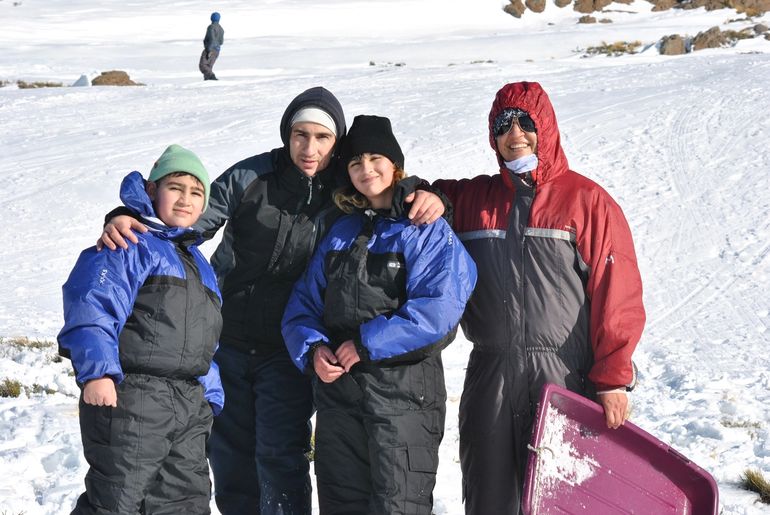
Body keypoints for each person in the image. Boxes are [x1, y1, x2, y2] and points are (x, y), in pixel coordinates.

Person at [97, 88, 448, 515]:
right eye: (300, 135)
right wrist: (129, 215)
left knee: (280, 456)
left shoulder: (345, 189)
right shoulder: (252, 177)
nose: (309, 148)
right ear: (287, 135)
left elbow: (389, 193)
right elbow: (185, 218)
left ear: (336, 143)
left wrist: (429, 193)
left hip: (288, 349)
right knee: (231, 457)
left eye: (322, 137)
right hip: (229, 339)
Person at [433, 81, 646, 514]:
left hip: (564, 379)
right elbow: (423, 196)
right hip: (491, 378)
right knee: (489, 500)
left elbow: (617, 293)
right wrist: (426, 195)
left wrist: (612, 379)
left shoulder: (586, 201)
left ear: (545, 126)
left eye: (525, 122)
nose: (515, 134)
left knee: (564, 501)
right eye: (503, 125)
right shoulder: (473, 199)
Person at [281, 115, 477, 515]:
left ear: (395, 165)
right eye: (356, 162)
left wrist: (365, 344)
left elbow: (439, 309)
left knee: (397, 505)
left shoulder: (424, 228)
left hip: (402, 400)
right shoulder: (342, 231)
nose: (366, 169)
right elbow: (303, 304)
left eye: (375, 159)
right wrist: (314, 349)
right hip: (340, 400)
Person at [58, 144, 225, 514]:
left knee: (185, 503)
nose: (186, 199)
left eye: (196, 192)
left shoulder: (198, 262)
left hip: (189, 405)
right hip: (132, 396)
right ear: (152, 190)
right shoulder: (129, 242)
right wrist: (98, 373)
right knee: (117, 500)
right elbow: (92, 306)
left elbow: (205, 339)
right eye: (175, 187)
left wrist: (210, 394)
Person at [199, 11, 224, 81]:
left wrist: (209, 50)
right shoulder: (221, 29)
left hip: (210, 49)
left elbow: (212, 39)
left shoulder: (211, 27)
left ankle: (212, 76)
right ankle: (208, 81)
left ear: (211, 18)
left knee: (203, 65)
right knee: (209, 66)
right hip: (217, 50)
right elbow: (221, 42)